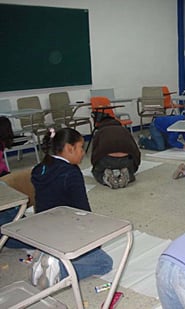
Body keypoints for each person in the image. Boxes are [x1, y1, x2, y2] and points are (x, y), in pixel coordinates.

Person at [30, 127, 112, 289]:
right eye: (81, 147)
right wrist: (93, 239)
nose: (83, 152)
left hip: (41, 231)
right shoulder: (71, 172)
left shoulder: (39, 168)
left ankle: (48, 257)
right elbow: (83, 211)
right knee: (105, 263)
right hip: (65, 233)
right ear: (69, 148)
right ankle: (58, 270)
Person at [91, 117, 141, 189]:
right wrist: (134, 166)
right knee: (130, 171)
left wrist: (95, 165)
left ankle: (106, 178)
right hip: (126, 160)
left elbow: (95, 152)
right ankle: (128, 176)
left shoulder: (99, 132)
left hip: (106, 161)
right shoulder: (124, 130)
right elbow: (135, 150)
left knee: (96, 172)